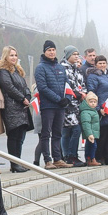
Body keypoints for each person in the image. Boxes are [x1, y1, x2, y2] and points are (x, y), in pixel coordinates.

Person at [34, 40, 72, 169]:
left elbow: (67, 85)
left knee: (58, 133)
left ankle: (57, 159)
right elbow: (43, 87)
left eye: (53, 50)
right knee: (46, 134)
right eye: (49, 50)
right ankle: (47, 160)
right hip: (48, 106)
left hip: (60, 107)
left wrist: (67, 98)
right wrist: (58, 99)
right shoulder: (40, 68)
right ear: (45, 52)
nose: (52, 52)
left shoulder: (60, 67)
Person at [0, 46, 33, 173]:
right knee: (14, 136)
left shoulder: (17, 70)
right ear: (5, 56)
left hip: (22, 107)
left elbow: (25, 86)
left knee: (20, 137)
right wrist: (22, 98)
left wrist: (28, 95)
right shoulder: (2, 71)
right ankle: (14, 164)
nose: (14, 57)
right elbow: (8, 87)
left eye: (15, 55)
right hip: (11, 108)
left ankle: (18, 162)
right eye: (11, 55)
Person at [87, 55, 108, 165]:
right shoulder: (93, 77)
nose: (102, 65)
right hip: (102, 110)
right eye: (100, 63)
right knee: (101, 135)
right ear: (96, 65)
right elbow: (91, 93)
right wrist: (98, 109)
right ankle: (99, 157)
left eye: (104, 63)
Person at [61, 46, 87, 167]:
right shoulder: (63, 68)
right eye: (74, 54)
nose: (76, 56)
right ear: (68, 55)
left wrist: (84, 93)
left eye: (78, 54)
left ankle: (71, 155)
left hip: (78, 105)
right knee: (70, 130)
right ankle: (69, 155)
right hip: (67, 105)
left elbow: (81, 84)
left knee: (73, 130)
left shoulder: (77, 69)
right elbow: (66, 85)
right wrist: (76, 94)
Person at [80, 92, 101, 166]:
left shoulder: (93, 111)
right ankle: (91, 159)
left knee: (90, 146)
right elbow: (86, 123)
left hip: (93, 133)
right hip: (91, 134)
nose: (93, 103)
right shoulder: (85, 112)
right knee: (92, 146)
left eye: (94, 102)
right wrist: (89, 134)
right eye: (91, 102)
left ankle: (89, 158)